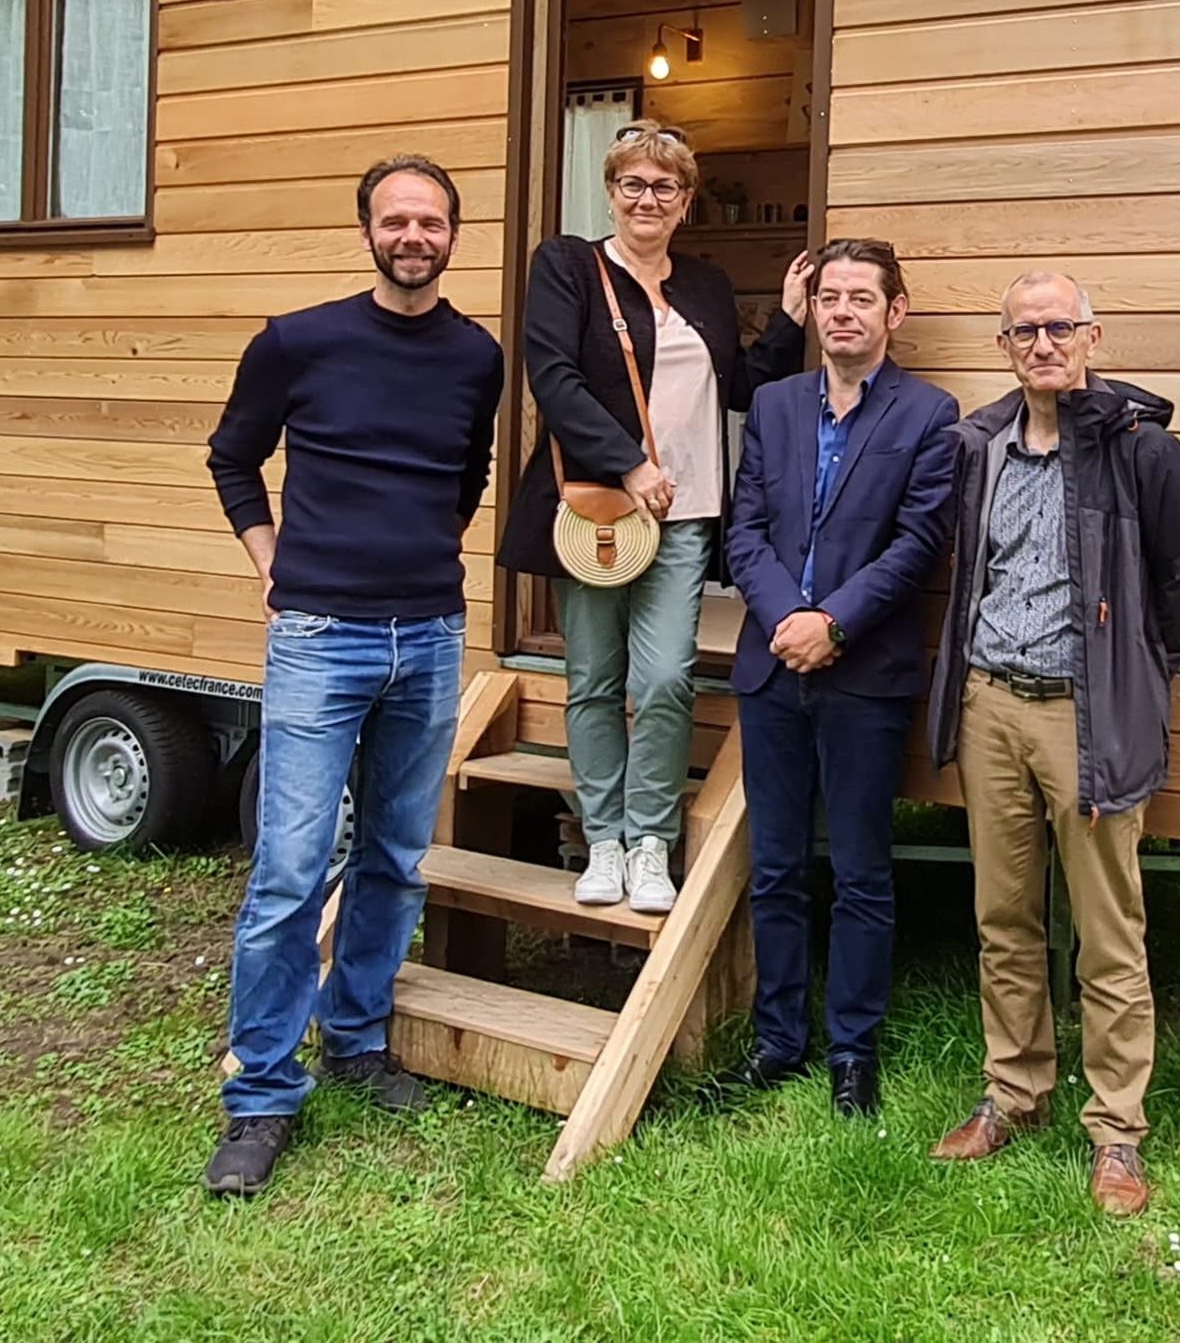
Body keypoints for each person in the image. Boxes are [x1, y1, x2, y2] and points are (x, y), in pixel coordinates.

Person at [201, 155, 504, 1198]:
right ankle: (261, 1096)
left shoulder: (477, 357)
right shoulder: (298, 341)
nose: (412, 234)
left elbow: (466, 476)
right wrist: (272, 563)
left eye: (430, 220)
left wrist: (413, 558)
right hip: (320, 635)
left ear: (453, 235)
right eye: (395, 218)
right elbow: (231, 458)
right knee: (290, 869)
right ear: (368, 229)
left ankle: (359, 1038)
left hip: (427, 635)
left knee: (394, 853)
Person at [927, 271, 1180, 1218]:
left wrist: (1139, 672)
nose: (1043, 342)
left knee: (1107, 928)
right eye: (1024, 330)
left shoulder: (1142, 451)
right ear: (1003, 346)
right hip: (991, 706)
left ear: (1094, 335)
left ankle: (1117, 1131)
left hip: (1087, 713)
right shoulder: (980, 447)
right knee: (1003, 917)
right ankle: (1014, 1093)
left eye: (1061, 326)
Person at [498, 121, 810, 915]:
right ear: (611, 191)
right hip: (601, 510)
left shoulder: (703, 284)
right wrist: (631, 464)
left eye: (664, 187)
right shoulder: (569, 265)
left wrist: (790, 318)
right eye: (633, 183)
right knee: (595, 679)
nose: (648, 198)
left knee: (666, 678)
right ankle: (602, 837)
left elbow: (740, 386)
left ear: (686, 202)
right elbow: (553, 376)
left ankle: (649, 842)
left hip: (687, 513)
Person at [721, 239, 957, 1117]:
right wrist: (789, 618)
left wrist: (835, 624)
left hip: (866, 673)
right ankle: (778, 1040)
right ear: (812, 310)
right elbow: (743, 528)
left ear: (895, 314)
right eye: (830, 297)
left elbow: (920, 542)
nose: (844, 311)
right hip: (771, 664)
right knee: (776, 865)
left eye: (862, 297)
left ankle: (853, 1051)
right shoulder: (775, 404)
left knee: (861, 871)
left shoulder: (932, 415)